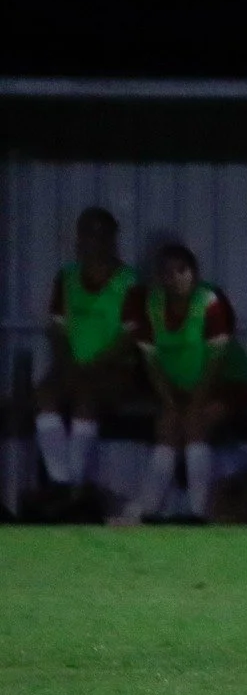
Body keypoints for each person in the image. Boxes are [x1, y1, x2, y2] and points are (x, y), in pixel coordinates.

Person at [123, 244, 247, 522]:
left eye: (182, 270)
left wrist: (194, 406)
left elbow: (214, 363)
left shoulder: (209, 302)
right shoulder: (151, 305)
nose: (176, 278)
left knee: (195, 423)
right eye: (168, 272)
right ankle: (145, 511)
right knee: (167, 424)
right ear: (159, 278)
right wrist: (170, 404)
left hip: (228, 383)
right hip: (181, 388)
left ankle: (198, 514)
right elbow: (152, 363)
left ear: (194, 274)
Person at [33, 208, 138, 515]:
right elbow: (57, 330)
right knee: (44, 394)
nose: (94, 241)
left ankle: (78, 486)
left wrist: (92, 368)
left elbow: (129, 337)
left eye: (101, 234)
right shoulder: (66, 278)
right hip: (73, 368)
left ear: (113, 239)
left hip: (114, 370)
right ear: (78, 239)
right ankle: (62, 482)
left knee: (86, 400)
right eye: (88, 234)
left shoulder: (129, 281)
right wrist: (70, 367)